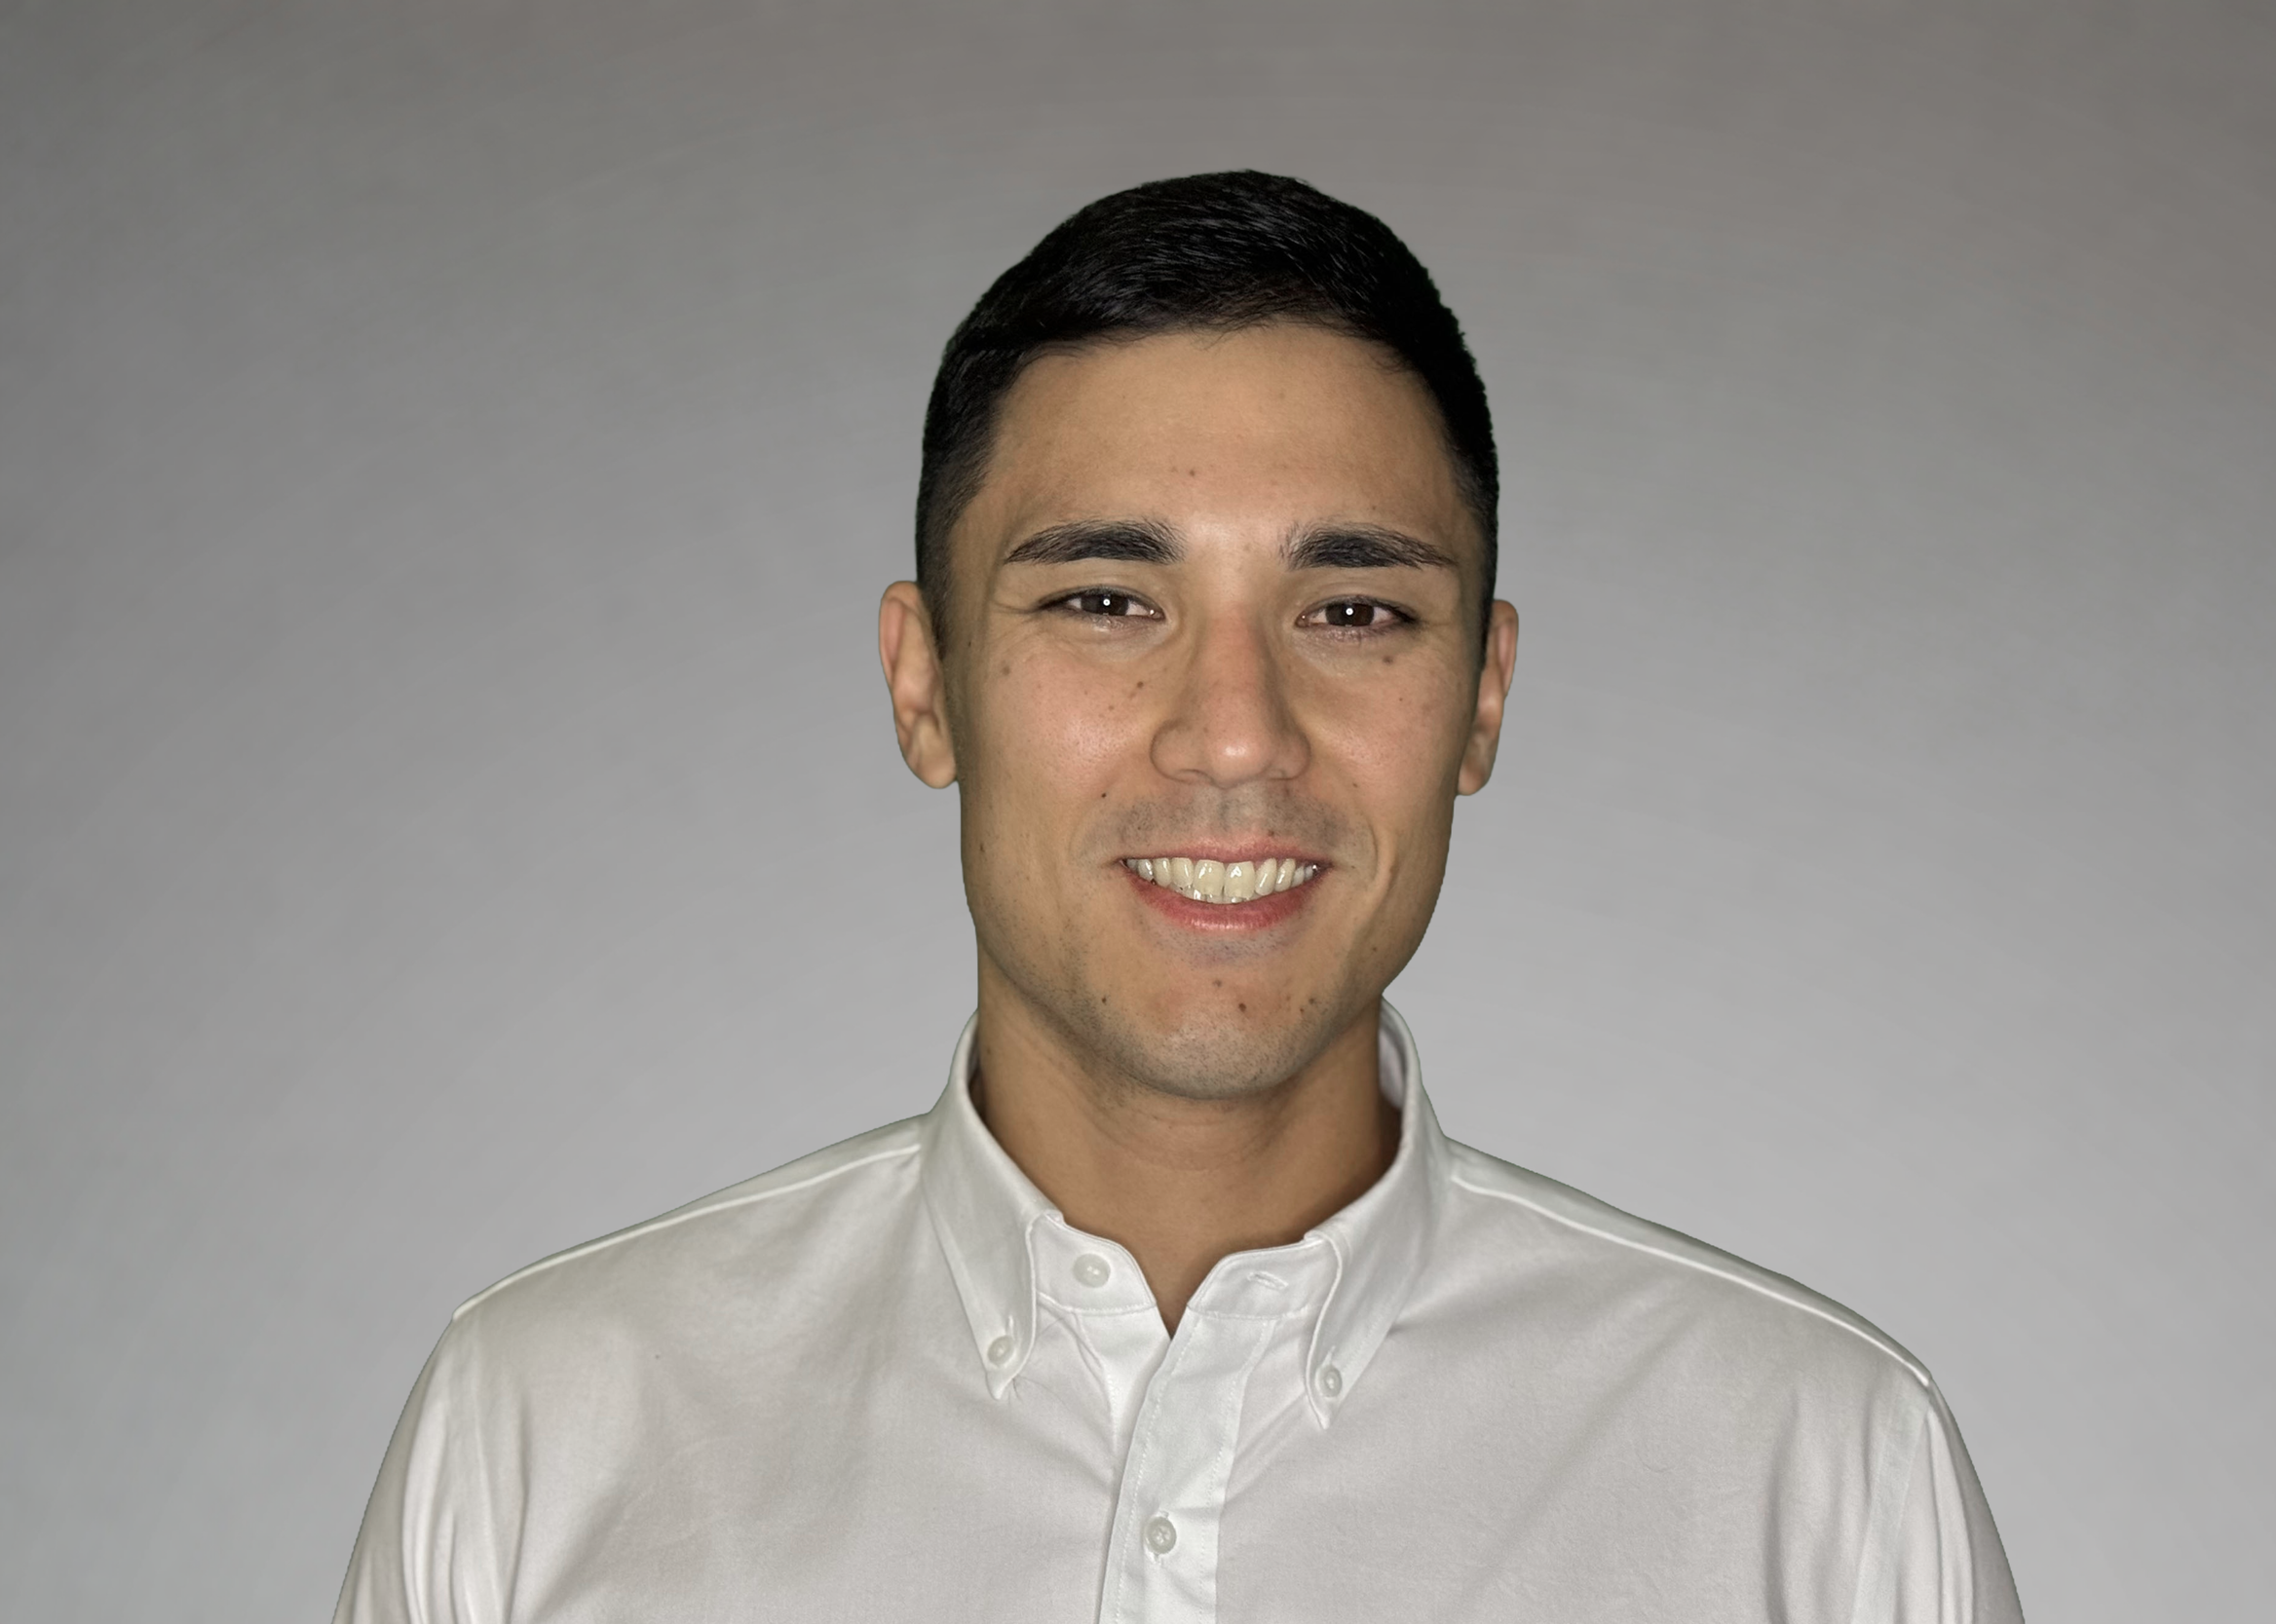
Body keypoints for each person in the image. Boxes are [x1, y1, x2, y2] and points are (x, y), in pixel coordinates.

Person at [336, 170, 2021, 1623]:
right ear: (923, 685)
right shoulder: (549, 1439)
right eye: (1103, 598)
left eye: (1354, 613)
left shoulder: (1816, 1482)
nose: (1234, 735)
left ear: (1483, 699)